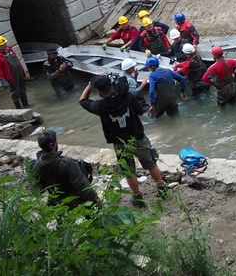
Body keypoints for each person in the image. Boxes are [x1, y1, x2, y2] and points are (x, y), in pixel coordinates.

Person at [79, 75, 167, 207]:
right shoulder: (128, 96)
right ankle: (161, 187)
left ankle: (137, 196)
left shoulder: (100, 106)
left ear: (99, 91)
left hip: (120, 142)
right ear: (112, 85)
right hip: (137, 137)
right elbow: (139, 111)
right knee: (151, 163)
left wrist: (90, 83)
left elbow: (83, 101)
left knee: (128, 171)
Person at [31, 130, 98, 209]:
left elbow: (38, 190)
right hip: (76, 203)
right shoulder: (66, 163)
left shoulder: (36, 167)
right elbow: (83, 185)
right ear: (53, 145)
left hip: (57, 206)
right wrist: (97, 200)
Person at [0, 35, 31, 109]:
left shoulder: (9, 50)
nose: (5, 45)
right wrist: (3, 80)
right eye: (3, 44)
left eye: (5, 43)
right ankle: (19, 110)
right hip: (12, 76)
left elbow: (16, 60)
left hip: (19, 73)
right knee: (15, 93)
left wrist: (23, 71)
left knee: (23, 89)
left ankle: (26, 105)